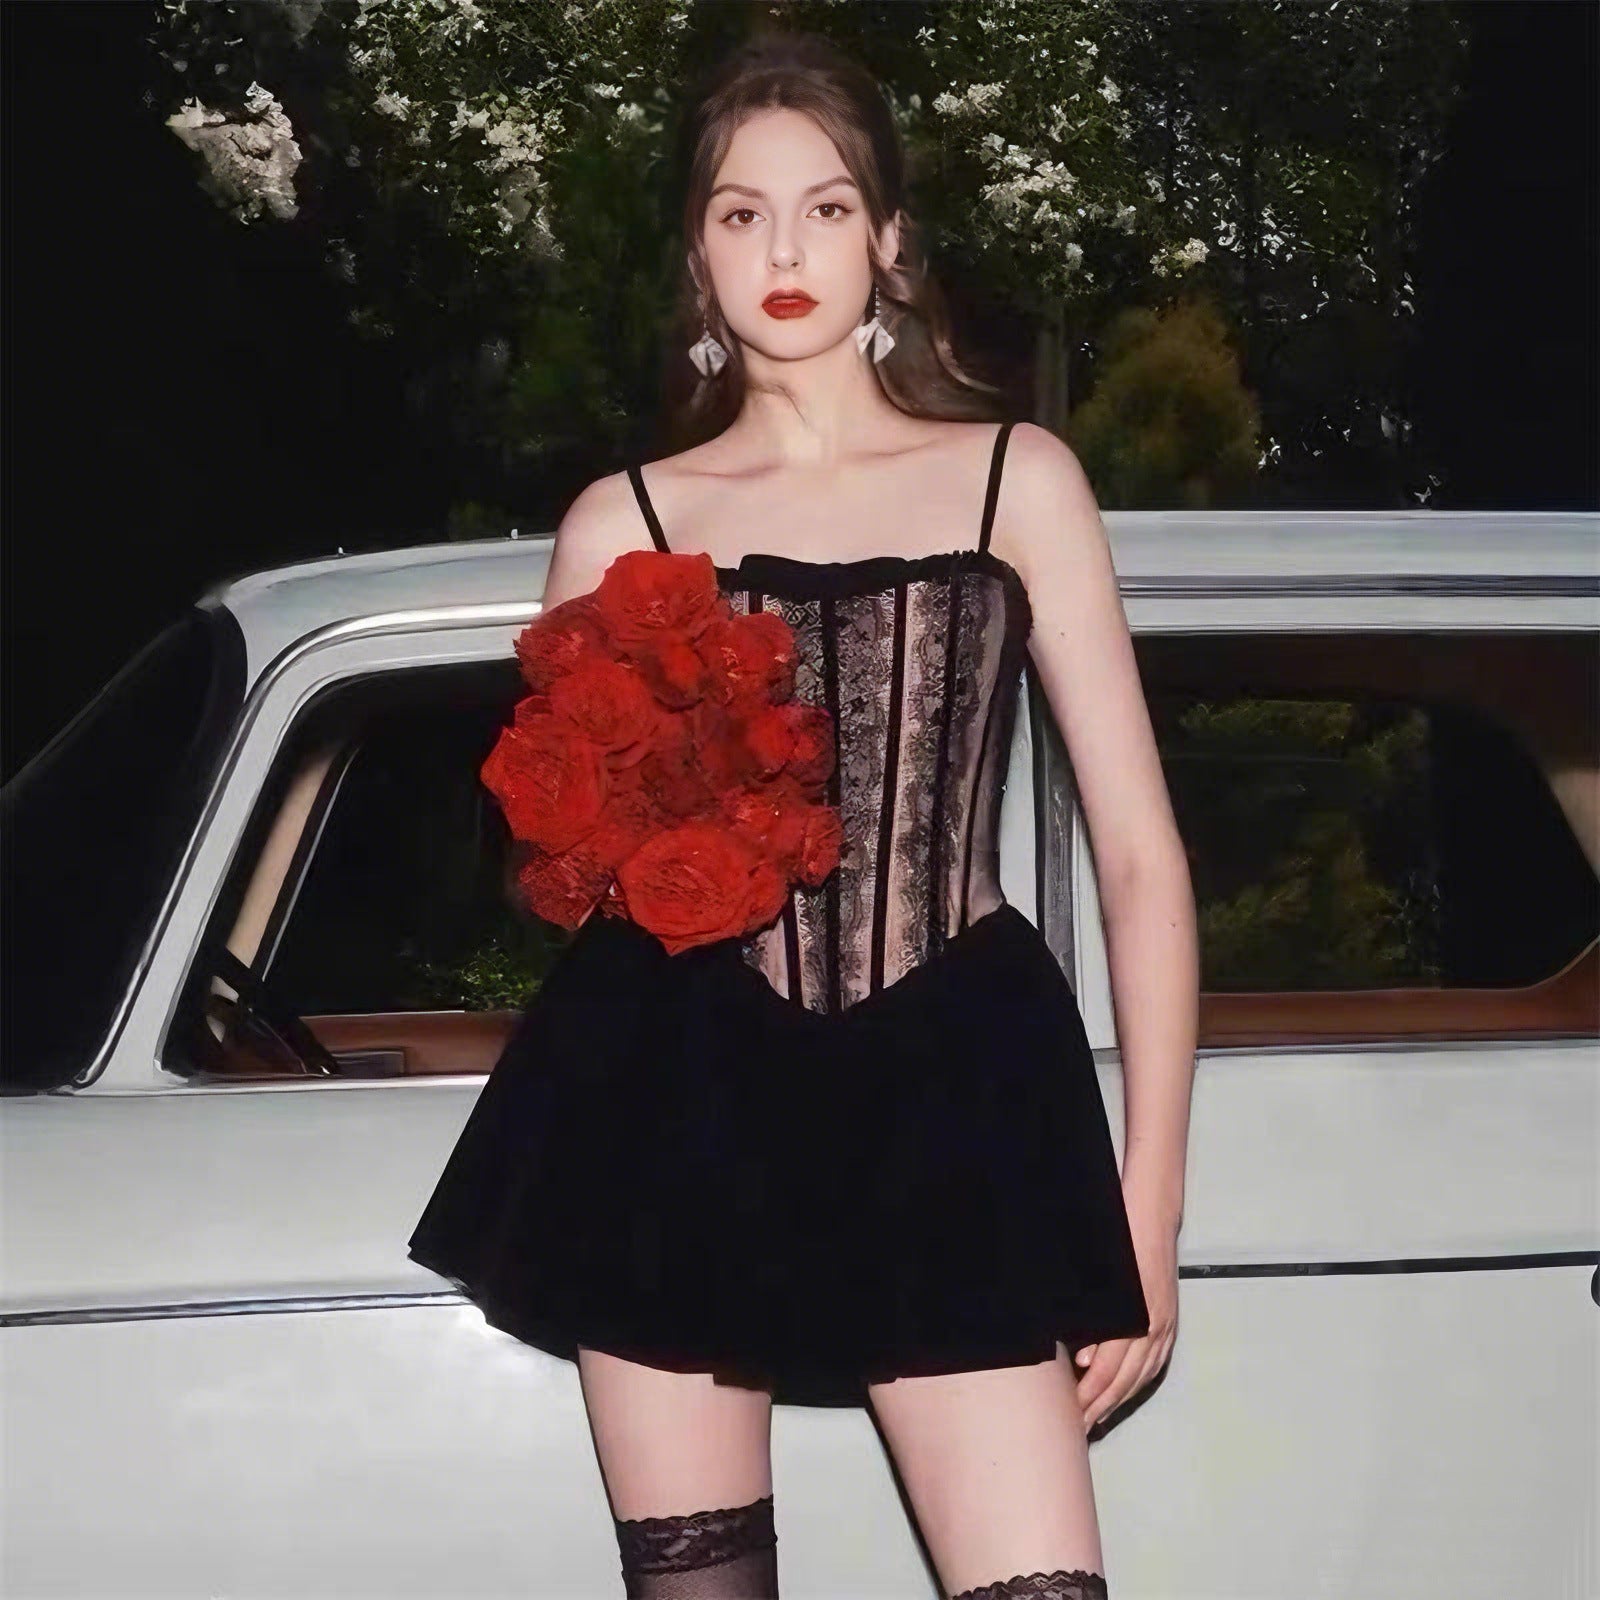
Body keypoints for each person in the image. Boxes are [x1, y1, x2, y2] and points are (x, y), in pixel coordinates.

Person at [409, 30, 1197, 1600]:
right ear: (697, 258)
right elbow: (555, 872)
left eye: (826, 209)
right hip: (674, 1094)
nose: (784, 252)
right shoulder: (623, 522)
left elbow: (1138, 860)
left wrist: (1149, 1211)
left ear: (888, 241)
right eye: (741, 214)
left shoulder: (1019, 479)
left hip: (955, 1086)